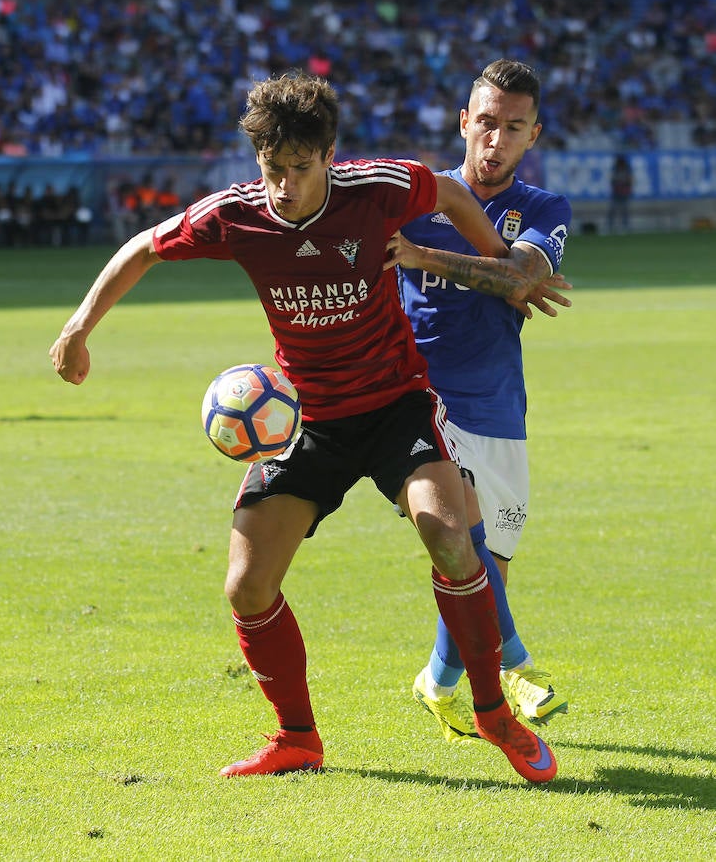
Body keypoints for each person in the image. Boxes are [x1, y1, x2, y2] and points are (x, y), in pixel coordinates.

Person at [49, 71, 558, 783]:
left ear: (329, 155)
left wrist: (496, 261)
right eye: (271, 169)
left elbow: (444, 192)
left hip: (395, 405)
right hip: (308, 416)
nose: (284, 186)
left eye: (299, 168)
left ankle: (491, 715)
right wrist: (78, 327)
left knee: (449, 535)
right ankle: (297, 739)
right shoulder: (236, 214)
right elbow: (144, 246)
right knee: (246, 587)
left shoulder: (377, 188)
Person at [387, 59, 572, 743]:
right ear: (464, 122)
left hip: (499, 406)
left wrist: (425, 260)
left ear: (533, 135)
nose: (495, 139)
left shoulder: (545, 210)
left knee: (484, 565)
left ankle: (436, 682)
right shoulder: (415, 198)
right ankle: (516, 667)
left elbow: (522, 275)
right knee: (461, 540)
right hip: (421, 402)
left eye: (512, 128)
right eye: (486, 123)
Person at [607, 153, 633, 233]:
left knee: (624, 210)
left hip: (624, 192)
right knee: (613, 209)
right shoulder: (615, 169)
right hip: (617, 192)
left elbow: (630, 180)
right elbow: (612, 180)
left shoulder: (627, 169)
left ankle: (625, 226)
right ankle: (610, 226)